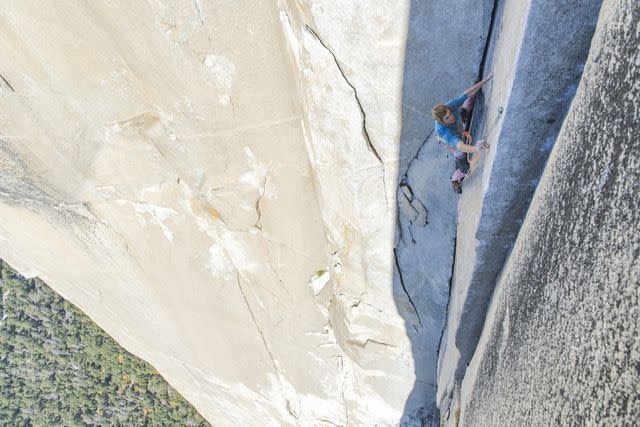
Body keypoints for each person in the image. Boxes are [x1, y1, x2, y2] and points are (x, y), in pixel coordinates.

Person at [432, 72, 494, 193]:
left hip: (457, 127)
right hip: (452, 140)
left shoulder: (449, 107)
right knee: (464, 167)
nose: (451, 118)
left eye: (450, 114)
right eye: (447, 118)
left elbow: (466, 94)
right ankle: (455, 181)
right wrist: (476, 148)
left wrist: (486, 79)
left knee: (464, 110)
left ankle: (465, 110)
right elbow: (460, 145)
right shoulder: (444, 132)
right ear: (442, 122)